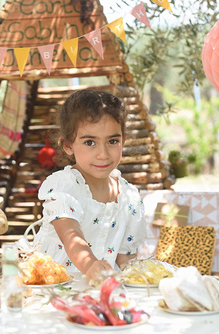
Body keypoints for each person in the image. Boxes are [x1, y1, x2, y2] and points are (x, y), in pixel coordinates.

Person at [33, 89, 147, 283]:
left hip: (99, 292)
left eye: (112, 141)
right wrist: (91, 265)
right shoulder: (65, 186)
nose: (103, 154)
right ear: (68, 145)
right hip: (50, 289)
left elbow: (125, 257)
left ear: (123, 141)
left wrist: (139, 278)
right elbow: (71, 237)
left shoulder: (129, 197)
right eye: (90, 142)